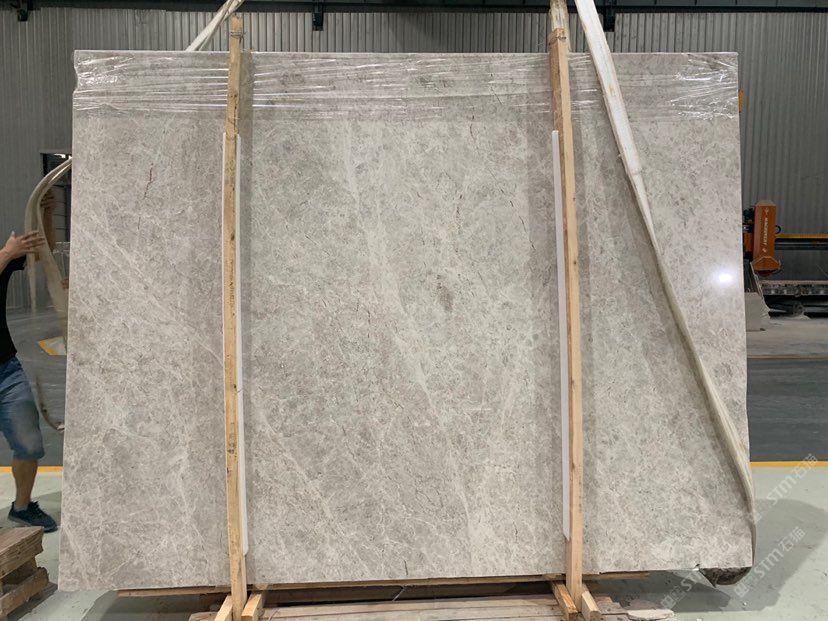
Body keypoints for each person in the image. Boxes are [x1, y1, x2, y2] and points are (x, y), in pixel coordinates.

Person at [0, 228, 58, 532]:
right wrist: (6, 253)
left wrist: (45, 215)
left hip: (6, 372)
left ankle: (22, 508)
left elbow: (40, 251)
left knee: (29, 443)